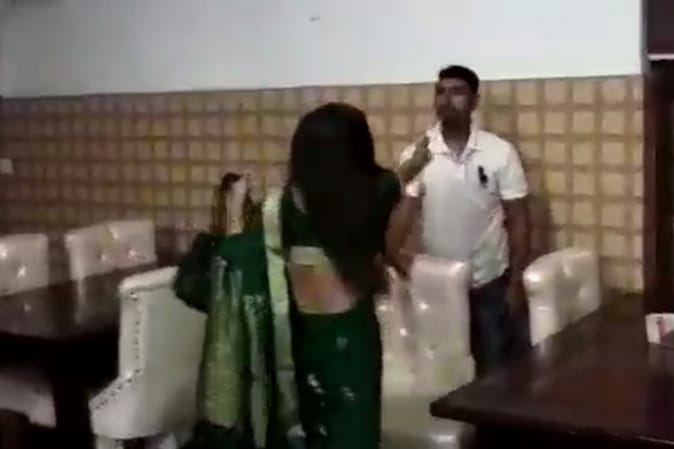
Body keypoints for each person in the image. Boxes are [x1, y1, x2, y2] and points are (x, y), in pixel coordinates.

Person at [176, 104, 422, 449]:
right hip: (350, 338)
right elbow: (390, 232)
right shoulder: (373, 194)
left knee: (306, 431)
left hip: (299, 336)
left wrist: (234, 214)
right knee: (354, 432)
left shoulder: (282, 206)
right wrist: (412, 170)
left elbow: (240, 256)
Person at [398, 65, 531, 376]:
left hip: (490, 283)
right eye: (440, 92)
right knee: (447, 374)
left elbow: (519, 220)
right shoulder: (418, 155)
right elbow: (401, 219)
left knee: (495, 374)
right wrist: (401, 266)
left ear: (474, 101)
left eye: (457, 92)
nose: (446, 99)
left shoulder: (500, 152)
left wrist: (515, 283)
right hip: (441, 287)